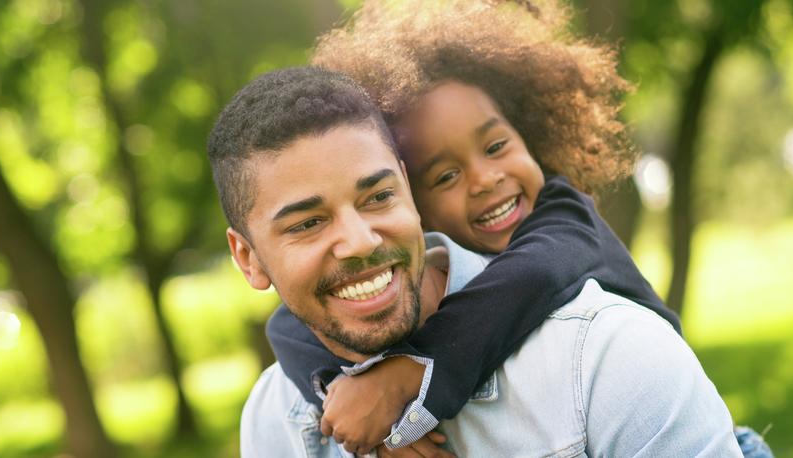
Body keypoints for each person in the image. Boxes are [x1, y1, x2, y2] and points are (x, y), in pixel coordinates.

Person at [207, 65, 742, 456]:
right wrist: (347, 409)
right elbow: (289, 327)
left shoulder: (574, 257)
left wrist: (406, 386)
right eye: (307, 223)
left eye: (376, 197)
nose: (486, 180)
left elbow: (527, 279)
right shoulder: (273, 416)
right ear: (248, 259)